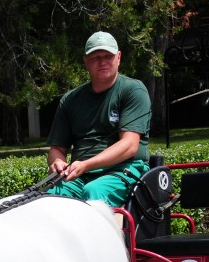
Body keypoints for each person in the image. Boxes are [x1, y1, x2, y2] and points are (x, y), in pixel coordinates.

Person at [45, 31, 152, 206]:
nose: (102, 61)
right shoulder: (70, 100)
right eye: (95, 57)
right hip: (79, 175)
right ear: (85, 61)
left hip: (124, 170)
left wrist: (86, 164)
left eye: (108, 56)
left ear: (118, 57)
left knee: (93, 191)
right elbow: (57, 147)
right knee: (48, 196)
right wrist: (57, 162)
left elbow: (130, 145)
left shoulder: (133, 90)